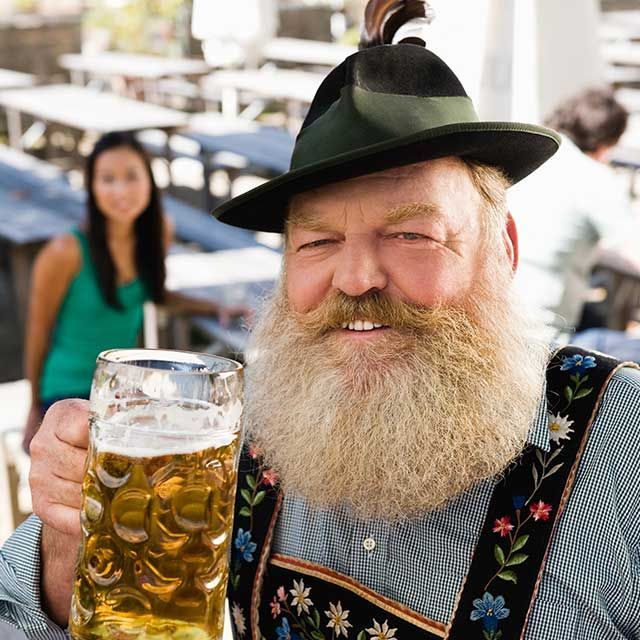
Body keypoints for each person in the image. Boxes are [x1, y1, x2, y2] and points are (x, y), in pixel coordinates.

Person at [2, 5, 640, 640]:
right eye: (316, 242)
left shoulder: (622, 448)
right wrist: (66, 547)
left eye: (413, 232)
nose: (356, 277)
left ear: (503, 250)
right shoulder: (229, 430)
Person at [21, 131, 247, 452]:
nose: (121, 190)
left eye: (131, 176)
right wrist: (33, 410)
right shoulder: (65, 251)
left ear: (149, 181)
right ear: (92, 188)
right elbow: (38, 332)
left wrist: (212, 308)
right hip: (66, 391)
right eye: (107, 179)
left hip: (121, 388)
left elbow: (155, 293)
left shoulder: (157, 233)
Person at [508, 86, 638, 338]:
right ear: (607, 141)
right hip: (545, 333)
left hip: (500, 314)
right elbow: (633, 251)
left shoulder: (526, 155)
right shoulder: (594, 177)